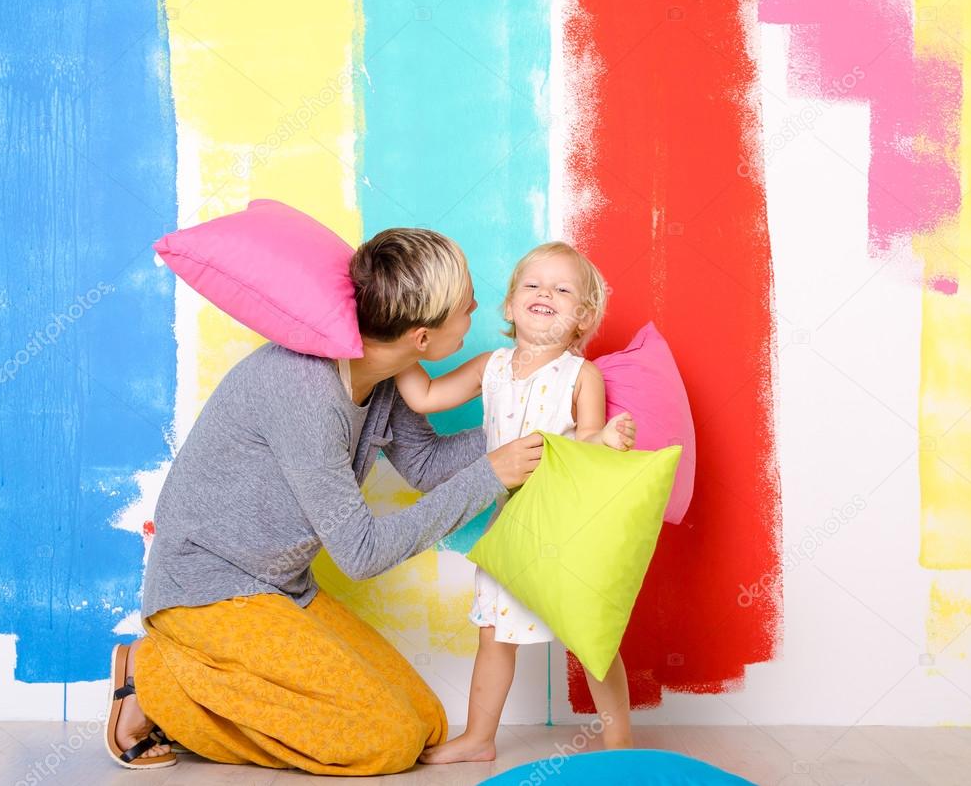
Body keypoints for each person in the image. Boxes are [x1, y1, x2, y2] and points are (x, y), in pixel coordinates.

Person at [103, 228, 578, 775]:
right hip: (206, 590)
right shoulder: (304, 392)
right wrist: (490, 475)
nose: (476, 305)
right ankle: (156, 678)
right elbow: (360, 554)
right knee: (386, 743)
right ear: (421, 337)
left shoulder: (381, 369)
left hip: (284, 588)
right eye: (464, 304)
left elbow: (423, 465)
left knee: (425, 723)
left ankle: (188, 671)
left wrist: (531, 425)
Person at [393, 241, 637, 764]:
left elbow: (587, 444)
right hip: (510, 528)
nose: (545, 292)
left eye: (562, 288)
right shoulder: (492, 367)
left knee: (591, 638)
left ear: (582, 318)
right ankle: (480, 738)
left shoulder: (580, 376)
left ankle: (620, 744)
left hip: (566, 527)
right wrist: (394, 345)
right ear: (509, 306)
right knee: (493, 635)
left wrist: (609, 439)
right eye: (533, 284)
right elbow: (425, 398)